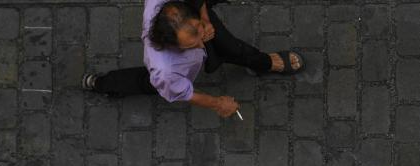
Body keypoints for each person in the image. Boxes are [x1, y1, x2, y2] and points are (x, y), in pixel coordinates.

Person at [83, 0, 303, 117]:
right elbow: (185, 93)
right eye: (191, 43)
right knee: (147, 82)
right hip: (165, 75)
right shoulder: (166, 71)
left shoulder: (195, 27)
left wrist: (205, 20)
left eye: (198, 30)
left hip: (195, 19)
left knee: (233, 48)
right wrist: (218, 103)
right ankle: (101, 83)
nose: (202, 39)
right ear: (171, 45)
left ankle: (262, 63)